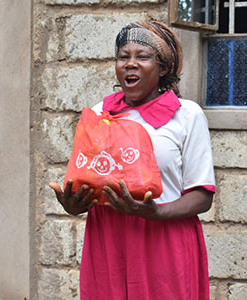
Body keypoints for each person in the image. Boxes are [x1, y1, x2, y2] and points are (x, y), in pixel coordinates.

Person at [49, 20, 216, 299]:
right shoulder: (100, 114)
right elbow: (89, 178)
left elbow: (202, 195)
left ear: (163, 68)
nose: (130, 64)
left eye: (143, 57)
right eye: (123, 56)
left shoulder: (186, 115)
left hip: (163, 240)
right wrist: (74, 204)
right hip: (109, 241)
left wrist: (157, 212)